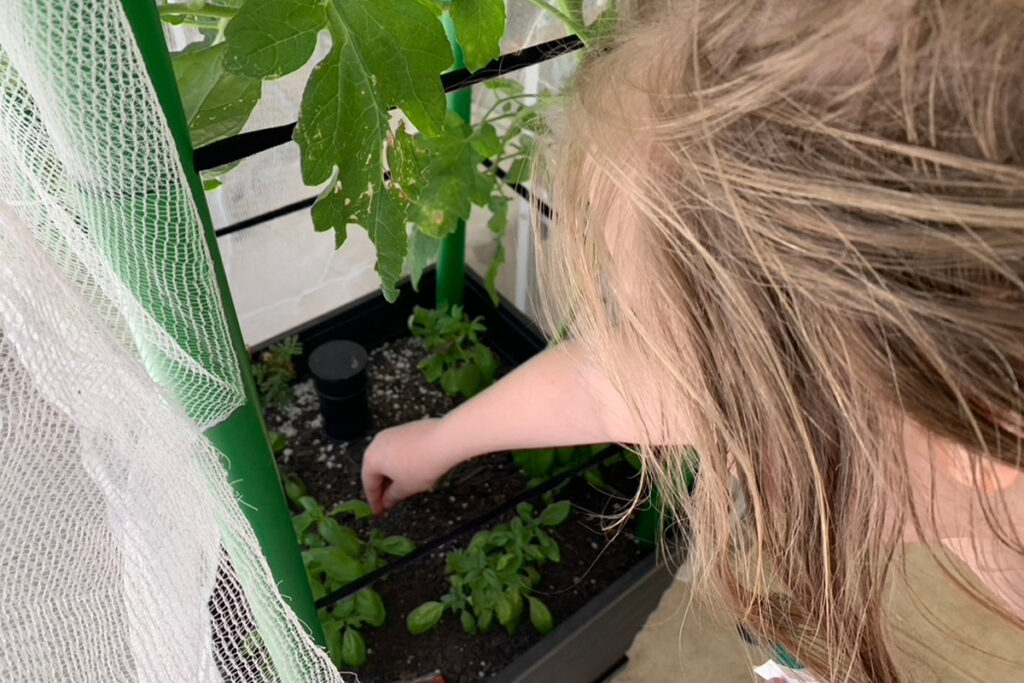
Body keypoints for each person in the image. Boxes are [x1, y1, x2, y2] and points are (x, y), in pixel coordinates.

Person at [363, 1, 1024, 680]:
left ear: (975, 406)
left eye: (723, 393)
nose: (710, 439)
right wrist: (442, 438)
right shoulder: (944, 438)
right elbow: (618, 382)